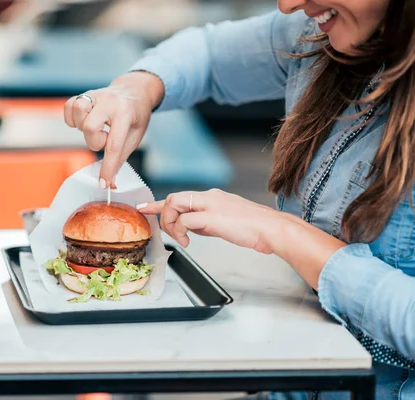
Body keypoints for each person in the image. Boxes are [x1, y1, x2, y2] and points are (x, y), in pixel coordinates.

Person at [63, 0, 415, 399]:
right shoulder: (317, 31)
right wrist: (135, 89)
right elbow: (208, 54)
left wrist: (284, 233)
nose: (288, 6)